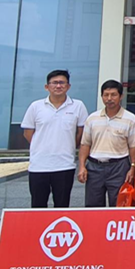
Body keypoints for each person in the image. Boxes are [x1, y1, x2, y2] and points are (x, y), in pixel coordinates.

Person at [21, 70, 88, 208]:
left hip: (65, 165)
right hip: (39, 166)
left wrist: (69, 146)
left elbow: (81, 134)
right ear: (47, 87)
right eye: (54, 83)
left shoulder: (78, 106)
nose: (58, 86)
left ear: (68, 86)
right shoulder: (36, 106)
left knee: (62, 206)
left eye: (62, 83)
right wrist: (41, 145)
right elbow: (28, 133)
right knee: (38, 206)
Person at [78, 80, 135, 207]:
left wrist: (132, 168)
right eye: (106, 95)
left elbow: (133, 146)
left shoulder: (130, 118)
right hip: (94, 167)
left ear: (121, 96)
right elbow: (85, 144)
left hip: (119, 167)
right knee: (93, 206)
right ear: (102, 96)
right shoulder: (92, 118)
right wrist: (82, 166)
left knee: (119, 205)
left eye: (113, 95)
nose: (109, 98)